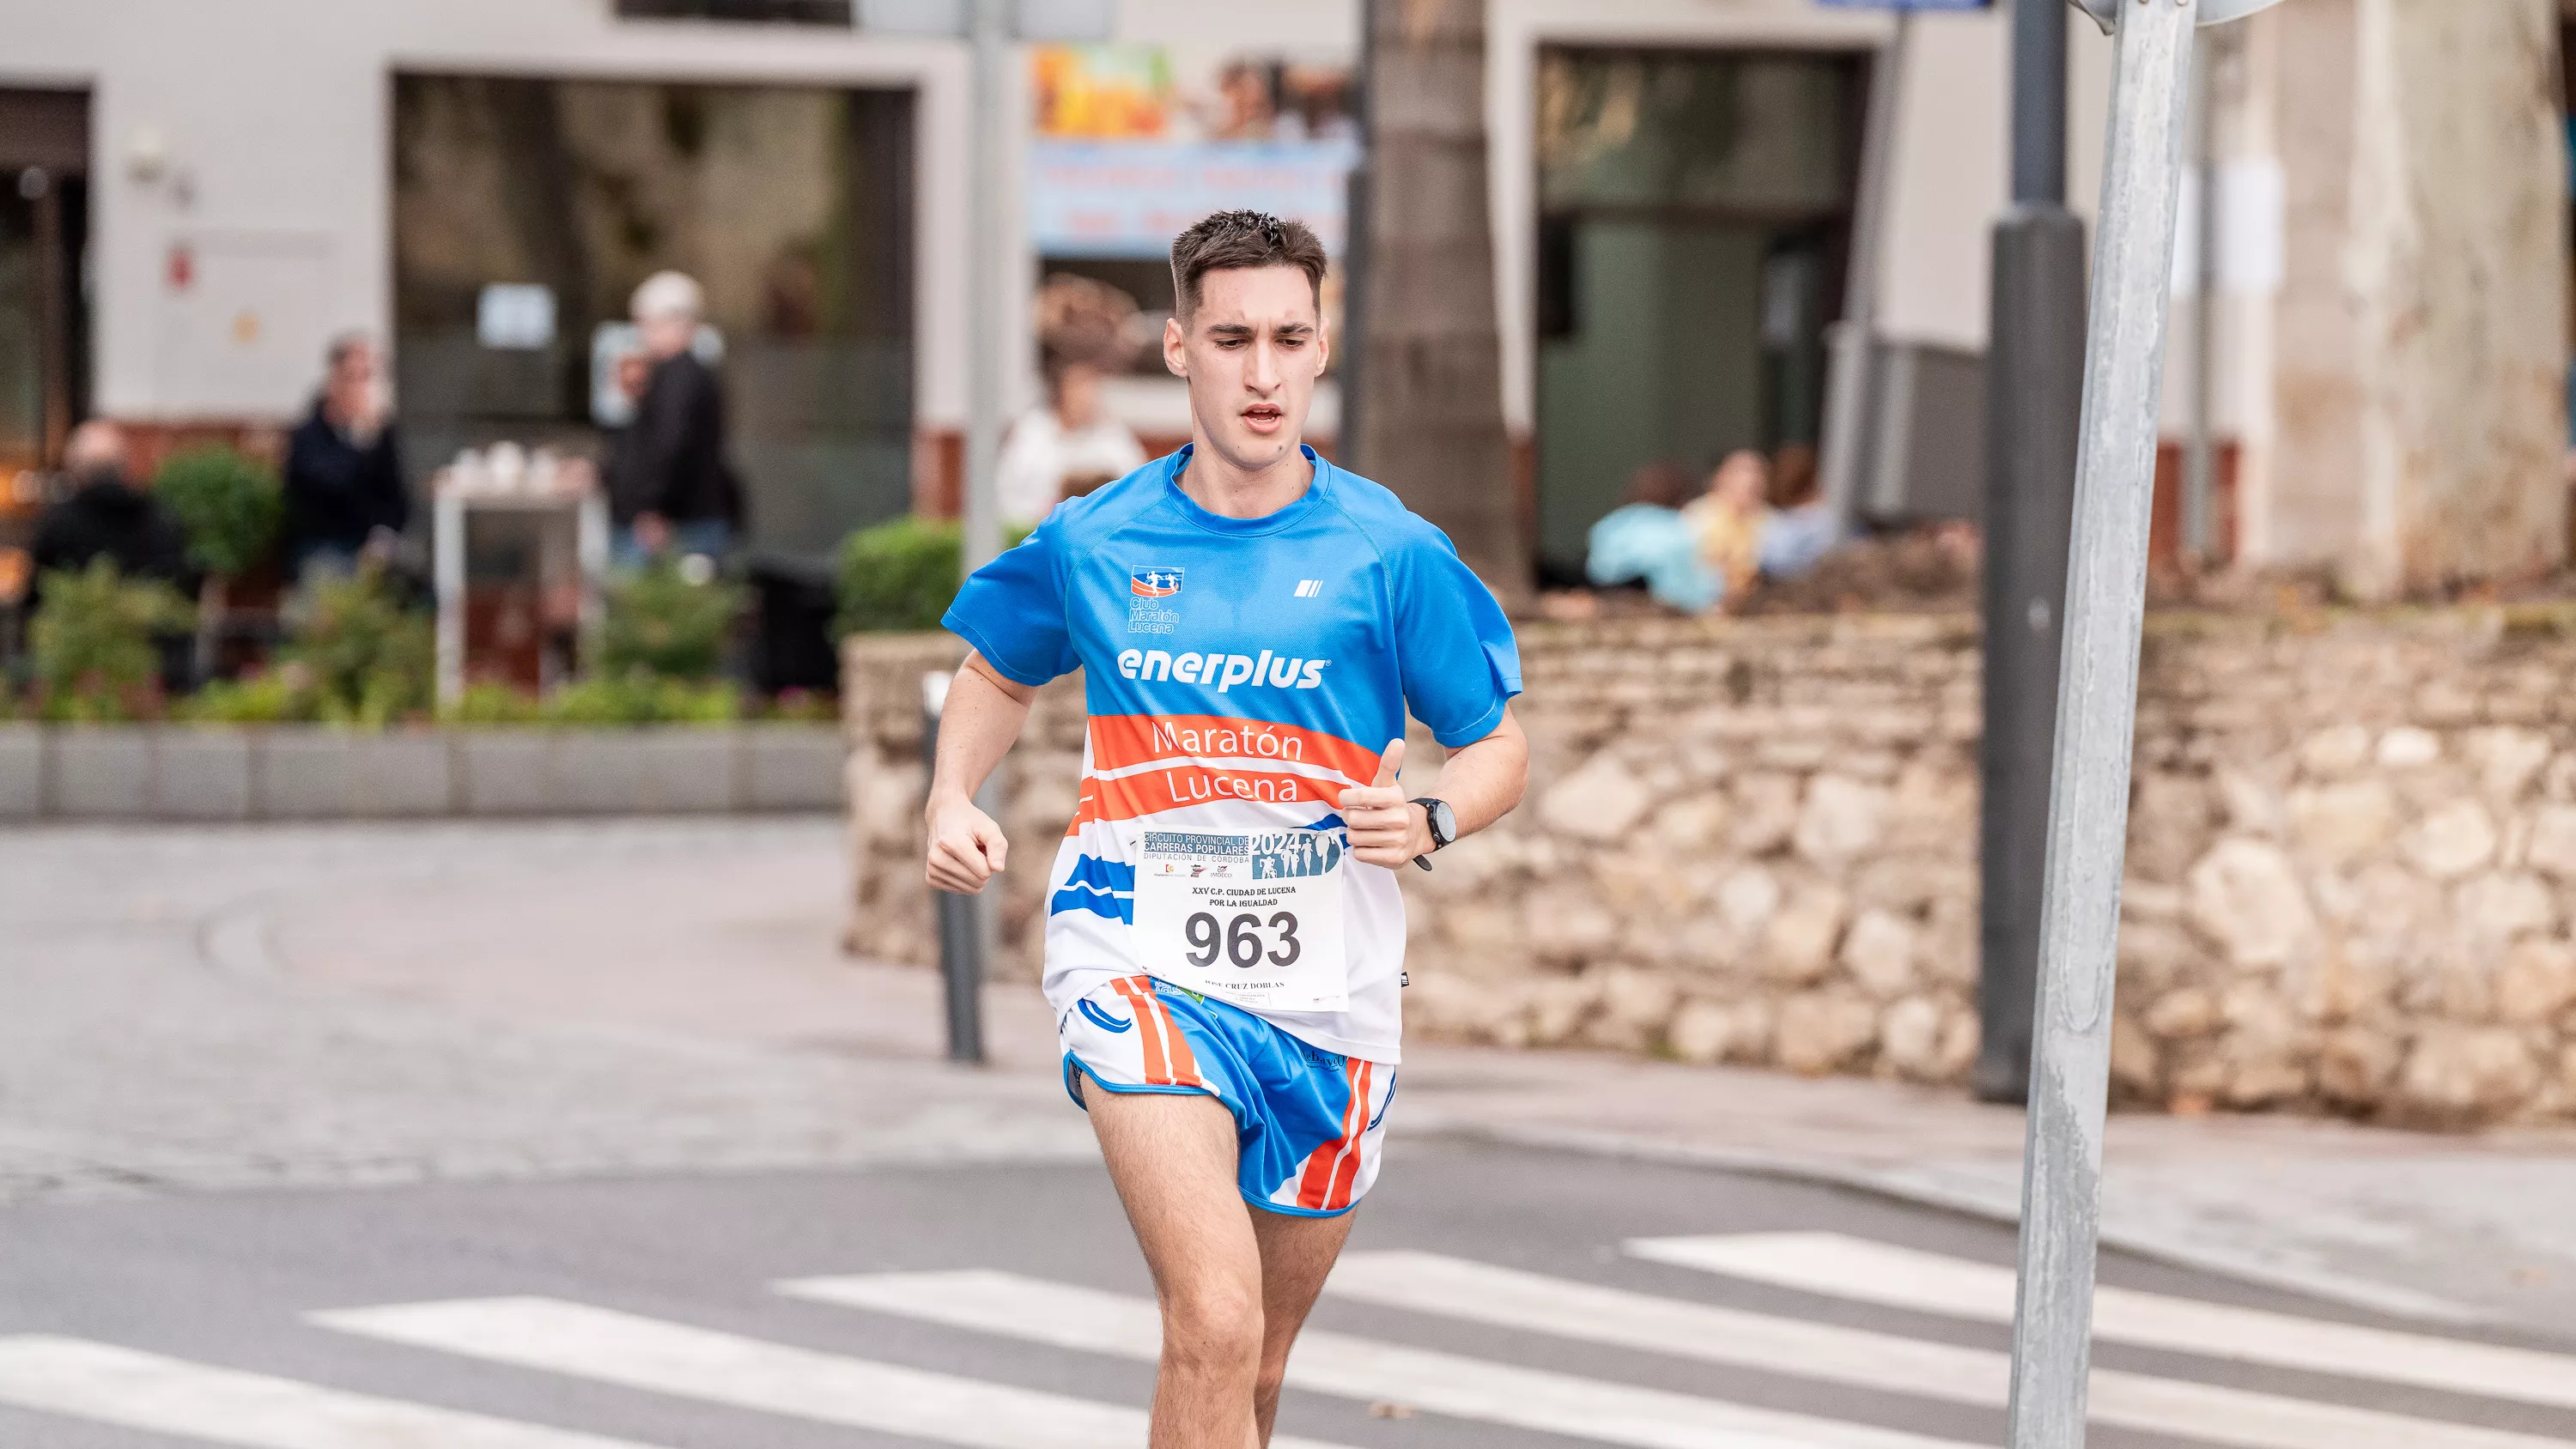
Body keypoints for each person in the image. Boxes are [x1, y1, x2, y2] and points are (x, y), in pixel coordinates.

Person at [924, 209, 1529, 1448]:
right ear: (1177, 347)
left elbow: (1499, 745)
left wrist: (1431, 816)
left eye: (1289, 339)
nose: (1262, 372)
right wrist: (949, 795)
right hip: (1135, 960)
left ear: (1323, 349)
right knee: (1210, 1315)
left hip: (1331, 993)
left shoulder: (1389, 549)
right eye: (1233, 337)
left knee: (1248, 1373)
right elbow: (996, 669)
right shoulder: (1099, 536)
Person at [613, 270, 743, 565]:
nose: (642, 333)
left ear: (675, 323)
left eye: (647, 324)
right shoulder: (683, 375)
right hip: (688, 520)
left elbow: (671, 445)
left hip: (681, 525)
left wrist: (655, 507)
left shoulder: (680, 378)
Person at [282, 334, 408, 582]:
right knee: (334, 579)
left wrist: (383, 536)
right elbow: (330, 486)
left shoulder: (381, 435)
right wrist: (360, 440)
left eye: (369, 377)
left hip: (372, 545)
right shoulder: (309, 434)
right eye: (353, 377)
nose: (361, 387)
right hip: (321, 545)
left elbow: (397, 498)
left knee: (421, 589)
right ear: (334, 379)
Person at [30, 421, 192, 597]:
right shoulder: (161, 519)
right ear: (124, 467)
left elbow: (39, 592)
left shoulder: (59, 524)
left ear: (76, 471)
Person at [994, 355, 1147, 525]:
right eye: (1078, 389)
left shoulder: (1114, 436)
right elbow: (1007, 491)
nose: (1085, 398)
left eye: (1091, 390)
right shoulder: (1031, 432)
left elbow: (1135, 487)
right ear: (1061, 392)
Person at [1682, 448, 1841, 606]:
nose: (1748, 484)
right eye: (1739, 477)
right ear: (1720, 479)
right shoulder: (1698, 517)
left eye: (1756, 481)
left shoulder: (1775, 523)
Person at [1585, 460, 1721, 612]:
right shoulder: (1681, 527)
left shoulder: (1610, 524)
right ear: (1682, 495)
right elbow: (1689, 588)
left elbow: (1597, 571)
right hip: (1662, 607)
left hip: (1610, 602)